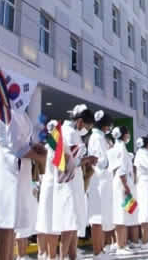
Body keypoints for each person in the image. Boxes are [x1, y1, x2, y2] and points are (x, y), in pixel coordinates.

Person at [0, 102, 47, 260]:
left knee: (12, 224)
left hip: (18, 170)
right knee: (4, 222)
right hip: (9, 169)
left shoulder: (19, 112)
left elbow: (22, 142)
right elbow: (17, 146)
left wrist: (34, 147)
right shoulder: (7, 113)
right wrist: (41, 157)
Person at [53, 105, 96, 260]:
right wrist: (88, 159)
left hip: (71, 181)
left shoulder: (66, 131)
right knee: (69, 222)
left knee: (73, 222)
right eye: (87, 126)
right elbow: (69, 162)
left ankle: (72, 256)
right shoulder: (69, 133)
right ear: (79, 122)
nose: (86, 130)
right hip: (68, 182)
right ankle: (62, 257)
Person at [86, 111, 114, 260]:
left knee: (101, 216)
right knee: (97, 217)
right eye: (108, 125)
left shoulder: (99, 137)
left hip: (101, 179)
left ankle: (101, 251)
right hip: (99, 180)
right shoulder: (97, 138)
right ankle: (97, 252)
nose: (109, 128)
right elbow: (101, 161)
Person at [110, 126, 137, 255]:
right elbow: (121, 169)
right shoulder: (120, 148)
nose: (129, 135)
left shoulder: (119, 146)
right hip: (122, 183)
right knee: (121, 215)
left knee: (125, 213)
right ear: (123, 134)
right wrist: (126, 187)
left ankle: (122, 243)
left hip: (122, 183)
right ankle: (121, 246)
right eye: (128, 133)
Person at [36, 120, 60, 260]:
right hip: (51, 187)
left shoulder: (46, 147)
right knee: (50, 222)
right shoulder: (53, 148)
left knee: (44, 221)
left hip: (47, 186)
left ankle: (44, 253)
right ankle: (49, 255)